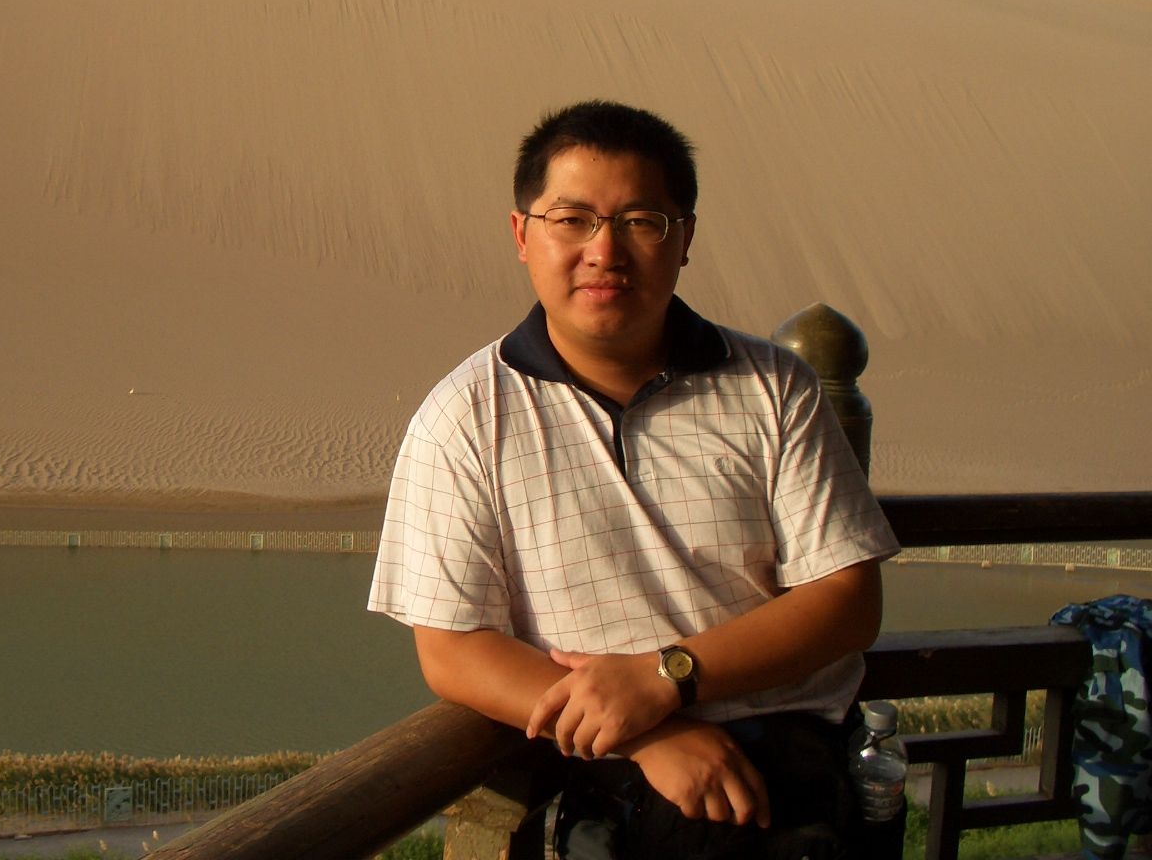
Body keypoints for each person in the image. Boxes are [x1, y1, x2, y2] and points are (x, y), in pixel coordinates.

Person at [367, 100, 900, 860]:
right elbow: (452, 649)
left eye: (642, 222)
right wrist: (648, 734)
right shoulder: (465, 416)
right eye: (572, 220)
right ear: (521, 233)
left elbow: (846, 601)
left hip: (793, 772)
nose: (604, 250)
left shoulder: (774, 386)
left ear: (684, 239)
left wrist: (667, 678)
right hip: (608, 780)